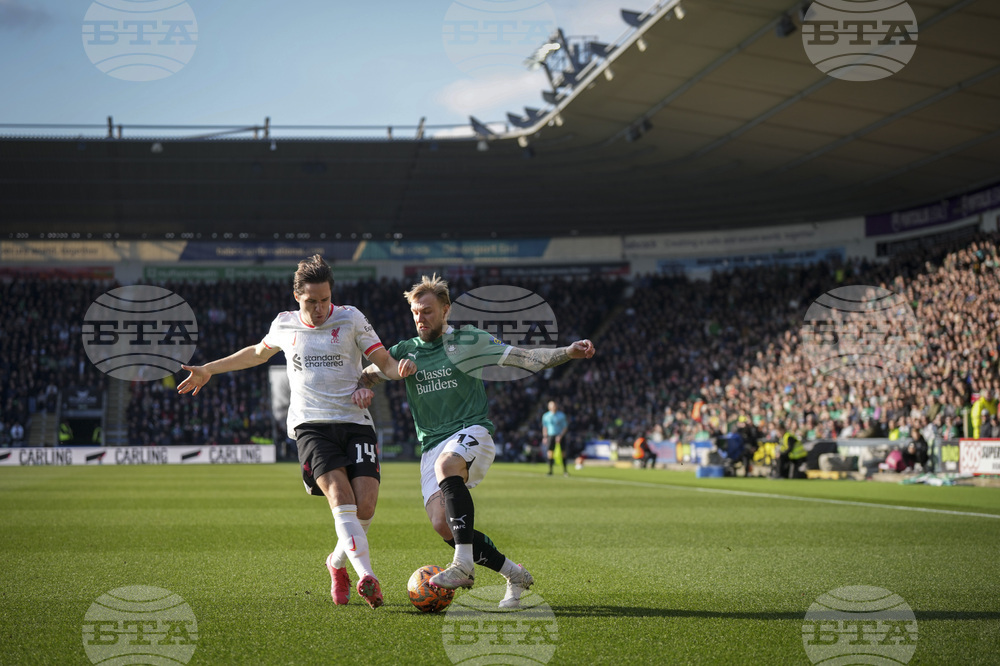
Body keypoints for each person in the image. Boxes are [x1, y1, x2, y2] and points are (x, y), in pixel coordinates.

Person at [355, 274, 596, 608]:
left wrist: (567, 352)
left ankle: (463, 565)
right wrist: (366, 385)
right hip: (432, 445)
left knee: (447, 466)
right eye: (415, 312)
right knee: (444, 526)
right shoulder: (405, 352)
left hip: (472, 431)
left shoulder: (469, 341)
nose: (420, 318)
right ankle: (515, 574)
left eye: (427, 310)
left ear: (446, 309)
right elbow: (368, 373)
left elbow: (523, 358)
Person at [177, 255, 403, 609]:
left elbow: (385, 360)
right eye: (311, 301)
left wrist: (395, 372)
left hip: (356, 422)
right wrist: (208, 369)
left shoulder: (352, 318)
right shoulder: (284, 324)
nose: (319, 308)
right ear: (297, 297)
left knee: (367, 505)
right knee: (341, 500)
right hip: (311, 426)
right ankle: (366, 576)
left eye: (325, 300)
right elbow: (255, 354)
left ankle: (336, 563)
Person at [541, 400, 569, 476]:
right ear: (549, 407)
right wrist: (545, 437)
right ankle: (550, 470)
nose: (554, 407)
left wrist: (560, 436)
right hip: (551, 435)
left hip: (560, 435)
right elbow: (545, 427)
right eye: (552, 406)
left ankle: (565, 470)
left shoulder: (561, 415)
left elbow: (565, 427)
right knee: (550, 453)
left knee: (563, 453)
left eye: (555, 405)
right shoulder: (546, 416)